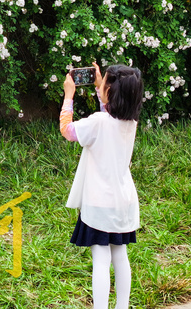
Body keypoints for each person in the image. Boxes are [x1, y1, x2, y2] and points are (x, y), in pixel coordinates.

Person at [60, 63, 144, 309]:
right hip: (124, 201)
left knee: (100, 258)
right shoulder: (130, 122)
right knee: (120, 254)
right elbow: (109, 114)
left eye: (104, 81)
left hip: (99, 203)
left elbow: (67, 131)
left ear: (111, 90)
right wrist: (100, 87)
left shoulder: (98, 122)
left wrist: (68, 96)